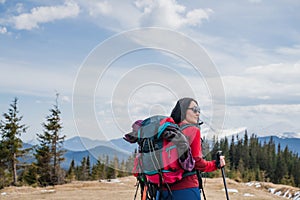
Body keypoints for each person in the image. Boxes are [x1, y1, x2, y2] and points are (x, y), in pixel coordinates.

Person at [157, 97, 226, 200]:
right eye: (194, 109)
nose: (197, 113)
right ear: (184, 110)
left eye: (198, 110)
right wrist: (216, 164)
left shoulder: (167, 131)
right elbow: (198, 163)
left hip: (162, 190)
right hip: (186, 189)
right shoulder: (193, 130)